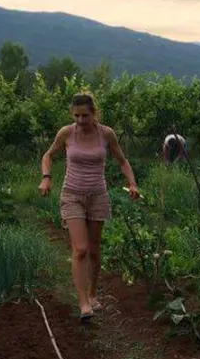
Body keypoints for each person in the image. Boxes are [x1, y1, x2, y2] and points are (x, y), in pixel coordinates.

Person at [39, 92, 140, 323]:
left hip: (97, 196)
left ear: (94, 113)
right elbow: (48, 155)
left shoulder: (106, 134)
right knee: (81, 249)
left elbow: (122, 161)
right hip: (72, 195)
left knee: (94, 251)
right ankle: (83, 302)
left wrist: (132, 183)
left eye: (85, 115)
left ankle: (93, 293)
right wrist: (46, 176)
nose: (81, 121)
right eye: (76, 116)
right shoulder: (66, 133)